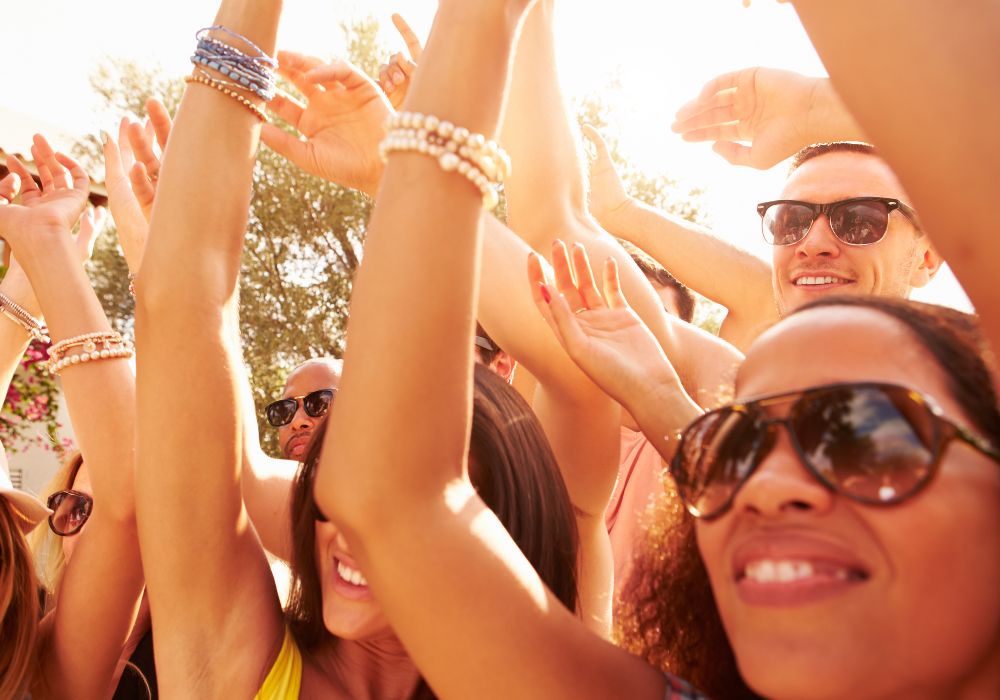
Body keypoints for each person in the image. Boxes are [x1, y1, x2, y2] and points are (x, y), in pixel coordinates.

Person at [310, 0, 1000, 698]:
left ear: (931, 250)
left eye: (871, 437)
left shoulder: (975, 378)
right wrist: (504, 29)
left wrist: (827, 108)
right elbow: (558, 231)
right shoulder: (727, 382)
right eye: (738, 444)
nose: (770, 486)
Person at [132, 5, 581, 699]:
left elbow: (582, 369)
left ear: (503, 533)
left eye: (409, 496)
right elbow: (183, 298)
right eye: (344, 482)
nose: (355, 524)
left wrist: (399, 169)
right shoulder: (233, 662)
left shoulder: (555, 679)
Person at [586, 68, 942, 350]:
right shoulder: (739, 384)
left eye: (860, 220)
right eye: (792, 221)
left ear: (927, 258)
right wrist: (619, 213)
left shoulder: (976, 390)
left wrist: (822, 107)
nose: (812, 242)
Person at [0, 137, 144, 700]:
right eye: (70, 506)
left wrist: (46, 252)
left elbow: (127, 497)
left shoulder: (39, 681)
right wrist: (36, 265)